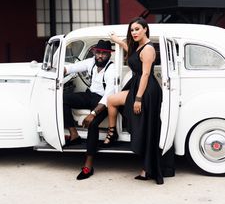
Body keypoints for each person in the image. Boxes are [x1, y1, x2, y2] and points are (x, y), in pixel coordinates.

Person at [103, 17, 175, 184]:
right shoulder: (140, 47)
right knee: (112, 100)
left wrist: (138, 98)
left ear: (145, 30)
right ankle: (113, 133)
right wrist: (118, 41)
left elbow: (146, 74)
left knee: (147, 129)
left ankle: (148, 168)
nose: (134, 32)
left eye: (137, 29)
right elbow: (132, 54)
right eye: (132, 30)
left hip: (146, 90)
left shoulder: (148, 49)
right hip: (139, 86)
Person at [63, 39, 115, 180]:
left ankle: (88, 165)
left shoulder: (112, 69)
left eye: (104, 53)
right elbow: (73, 67)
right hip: (90, 95)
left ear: (109, 55)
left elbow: (108, 95)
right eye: (98, 52)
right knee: (64, 98)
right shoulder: (91, 62)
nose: (100, 56)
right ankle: (74, 135)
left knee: (92, 124)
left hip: (103, 101)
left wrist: (93, 114)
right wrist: (62, 70)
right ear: (94, 52)